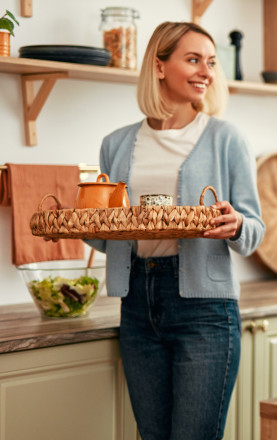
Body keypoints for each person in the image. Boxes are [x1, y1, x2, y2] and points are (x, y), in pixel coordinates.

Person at [84, 22, 264, 439]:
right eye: (194, 59)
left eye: (212, 62)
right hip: (136, 306)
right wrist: (87, 223)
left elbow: (255, 229)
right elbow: (110, 234)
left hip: (205, 310)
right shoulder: (116, 143)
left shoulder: (226, 139)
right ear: (160, 66)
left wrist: (235, 224)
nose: (206, 71)